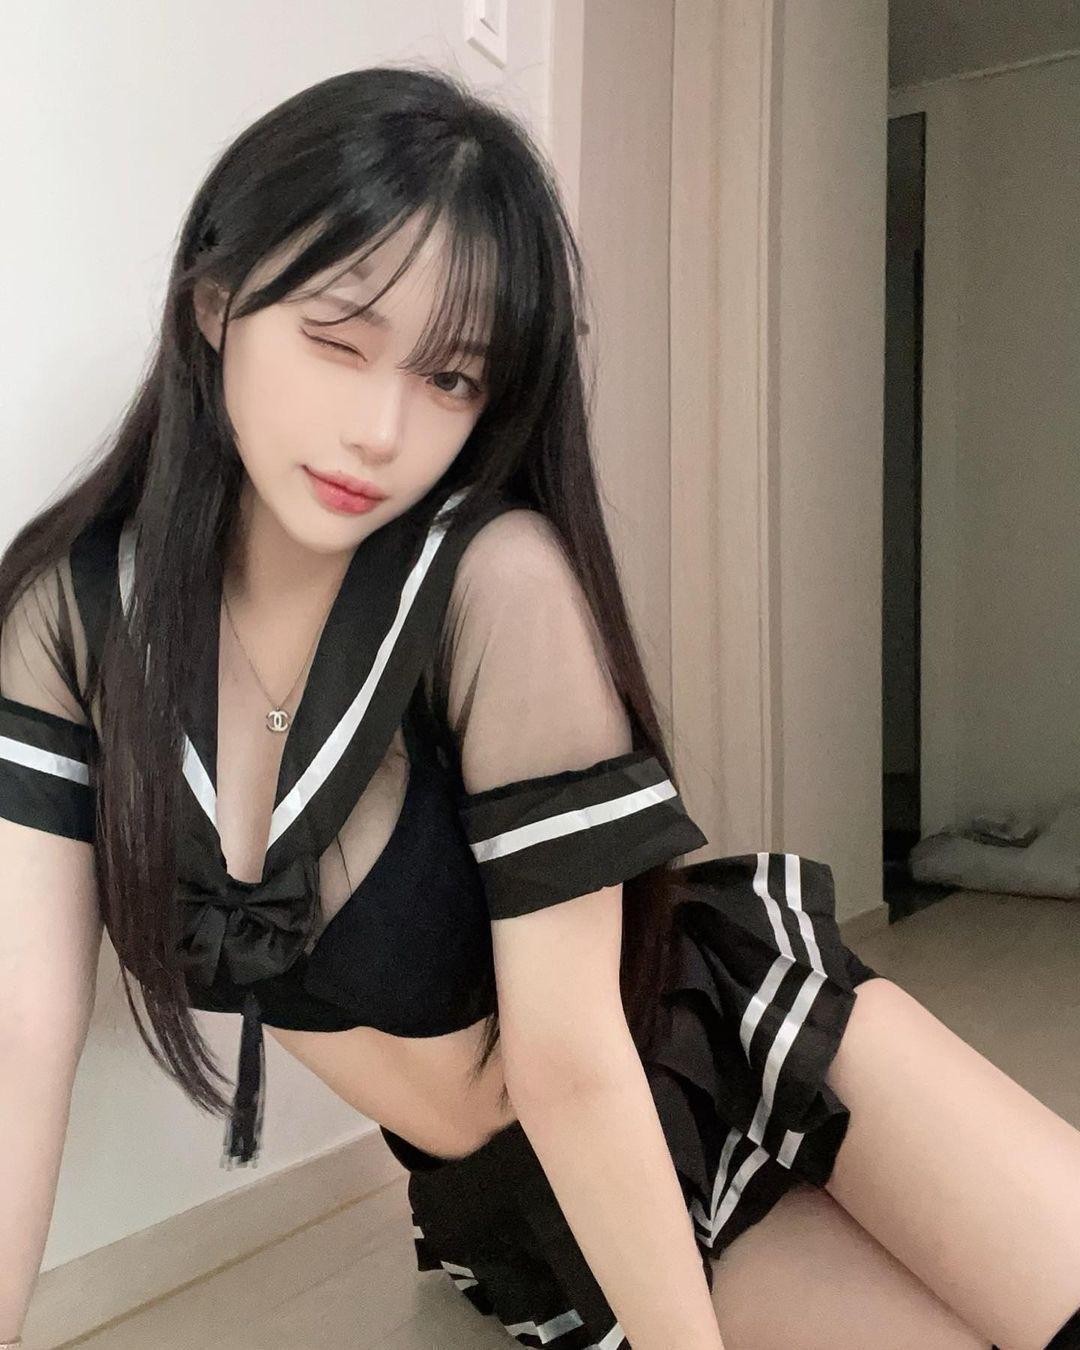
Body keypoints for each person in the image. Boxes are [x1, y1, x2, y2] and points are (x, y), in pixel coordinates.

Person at [1, 64, 1077, 1350]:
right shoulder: (72, 624)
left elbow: (572, 1064)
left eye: (453, 379)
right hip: (536, 1194)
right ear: (215, 304)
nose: (383, 430)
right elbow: (18, 1040)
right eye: (338, 340)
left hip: (724, 1040)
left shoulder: (493, 585)